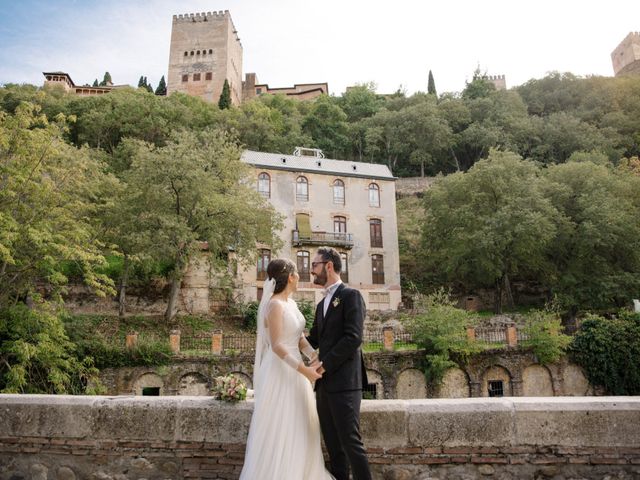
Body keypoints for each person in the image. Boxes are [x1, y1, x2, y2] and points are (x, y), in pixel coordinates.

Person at [240, 258, 334, 480]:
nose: (301, 276)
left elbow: (298, 337)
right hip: (281, 370)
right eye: (297, 273)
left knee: (301, 423)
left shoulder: (290, 303)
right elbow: (277, 345)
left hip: (298, 370)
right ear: (290, 277)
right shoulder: (273, 305)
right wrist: (304, 369)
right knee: (282, 424)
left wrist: (314, 356)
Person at [307, 247, 372, 480]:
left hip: (345, 383)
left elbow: (353, 337)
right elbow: (314, 339)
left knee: (351, 443)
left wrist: (324, 365)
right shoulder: (320, 304)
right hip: (323, 386)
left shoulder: (350, 296)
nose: (311, 270)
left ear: (329, 266)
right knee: (334, 447)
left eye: (314, 265)